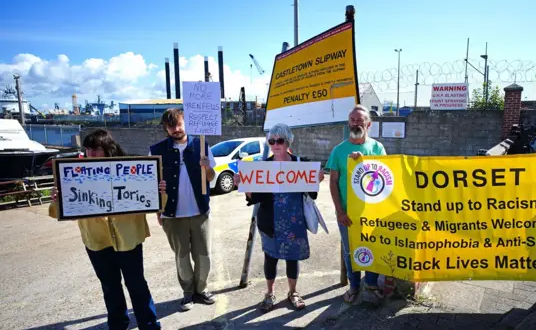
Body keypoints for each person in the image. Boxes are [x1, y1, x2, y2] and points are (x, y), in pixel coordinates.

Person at [49, 129, 164, 330]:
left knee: (137, 284)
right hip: (97, 241)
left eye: (96, 149)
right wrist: (58, 199)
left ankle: (150, 325)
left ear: (108, 150)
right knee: (110, 287)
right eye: (88, 149)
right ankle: (117, 327)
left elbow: (157, 203)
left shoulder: (130, 171)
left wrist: (158, 191)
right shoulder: (75, 173)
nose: (91, 153)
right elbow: (58, 212)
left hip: (128, 239)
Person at [235, 123, 323, 312]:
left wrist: (317, 180)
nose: (275, 144)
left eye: (280, 140)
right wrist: (244, 185)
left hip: (294, 221)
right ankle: (269, 293)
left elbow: (312, 195)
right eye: (272, 141)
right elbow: (255, 198)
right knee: (271, 258)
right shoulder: (261, 167)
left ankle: (293, 292)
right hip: (270, 221)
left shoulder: (302, 164)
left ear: (288, 142)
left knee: (292, 259)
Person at [150, 108, 216, 311]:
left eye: (179, 124)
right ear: (165, 128)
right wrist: (158, 211)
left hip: (200, 213)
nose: (176, 129)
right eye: (171, 126)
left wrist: (207, 167)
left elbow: (211, 178)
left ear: (186, 123)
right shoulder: (156, 150)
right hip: (172, 215)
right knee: (182, 257)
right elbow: (151, 185)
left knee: (204, 256)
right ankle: (188, 293)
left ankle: (201, 289)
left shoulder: (202, 145)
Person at [326, 105, 387, 304]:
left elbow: (386, 177)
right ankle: (354, 286)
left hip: (371, 212)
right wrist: (340, 211)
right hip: (347, 213)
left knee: (371, 246)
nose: (356, 123)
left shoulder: (377, 148)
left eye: (360, 120)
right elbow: (333, 182)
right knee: (350, 250)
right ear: (348, 123)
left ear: (368, 124)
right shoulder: (338, 150)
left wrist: (365, 162)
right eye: (352, 120)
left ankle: (370, 282)